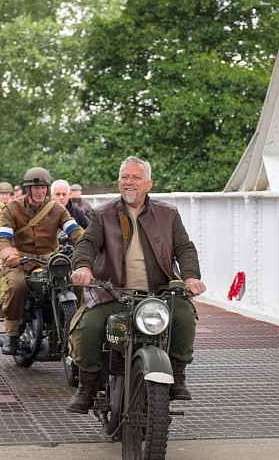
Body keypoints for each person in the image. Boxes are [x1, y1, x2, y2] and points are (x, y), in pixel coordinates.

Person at [66, 156, 206, 413]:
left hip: (159, 293)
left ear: (149, 184)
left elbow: (185, 248)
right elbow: (87, 244)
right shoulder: (102, 214)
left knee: (184, 315)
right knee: (88, 327)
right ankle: (87, 386)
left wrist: (190, 277)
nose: (129, 182)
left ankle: (178, 375)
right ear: (119, 182)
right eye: (125, 177)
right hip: (113, 293)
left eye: (136, 177)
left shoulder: (169, 214)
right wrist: (83, 267)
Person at [0, 167, 84, 355]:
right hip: (20, 260)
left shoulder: (57, 209)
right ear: (28, 189)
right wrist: (10, 255)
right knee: (17, 286)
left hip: (51, 261)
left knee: (75, 282)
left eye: (43, 187)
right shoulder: (12, 208)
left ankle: (78, 327)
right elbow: (3, 238)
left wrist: (90, 245)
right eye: (36, 188)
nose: (40, 191)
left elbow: (74, 231)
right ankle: (12, 335)